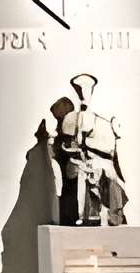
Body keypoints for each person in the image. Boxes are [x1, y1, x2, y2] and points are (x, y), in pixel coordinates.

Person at [43, 72, 129, 226]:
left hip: (95, 170)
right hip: (79, 171)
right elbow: (66, 150)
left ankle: (107, 216)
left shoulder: (99, 123)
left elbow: (108, 154)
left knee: (105, 189)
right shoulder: (71, 122)